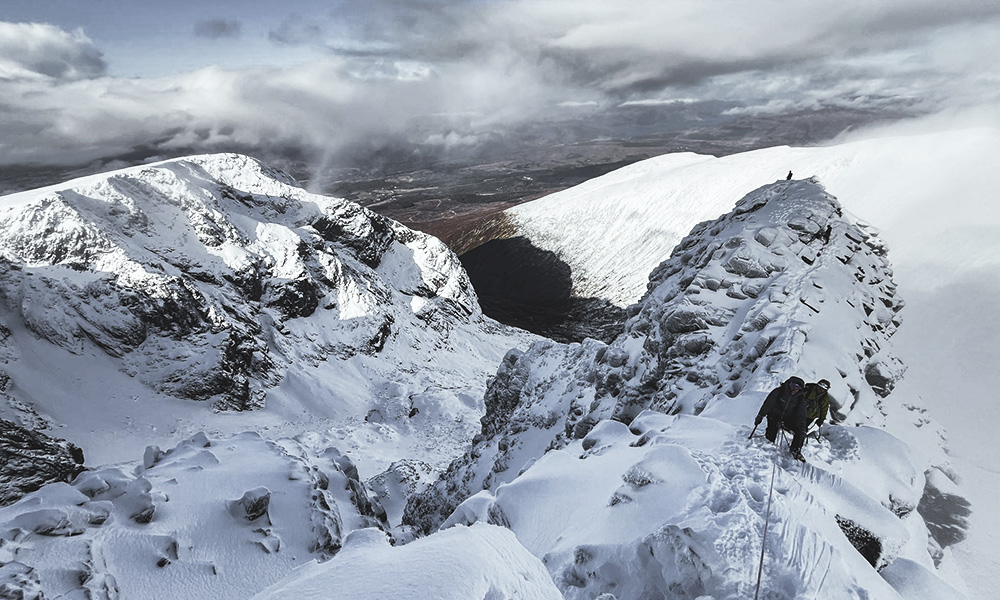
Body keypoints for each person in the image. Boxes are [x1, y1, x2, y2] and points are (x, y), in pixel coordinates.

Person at [754, 376, 808, 461]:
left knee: (800, 431)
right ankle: (768, 446)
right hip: (774, 415)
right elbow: (768, 404)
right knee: (771, 432)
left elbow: (801, 416)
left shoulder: (800, 400)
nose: (794, 389)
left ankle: (795, 450)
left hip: (788, 418)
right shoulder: (779, 391)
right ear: (788, 384)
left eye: (798, 387)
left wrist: (802, 429)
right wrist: (760, 416)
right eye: (793, 385)